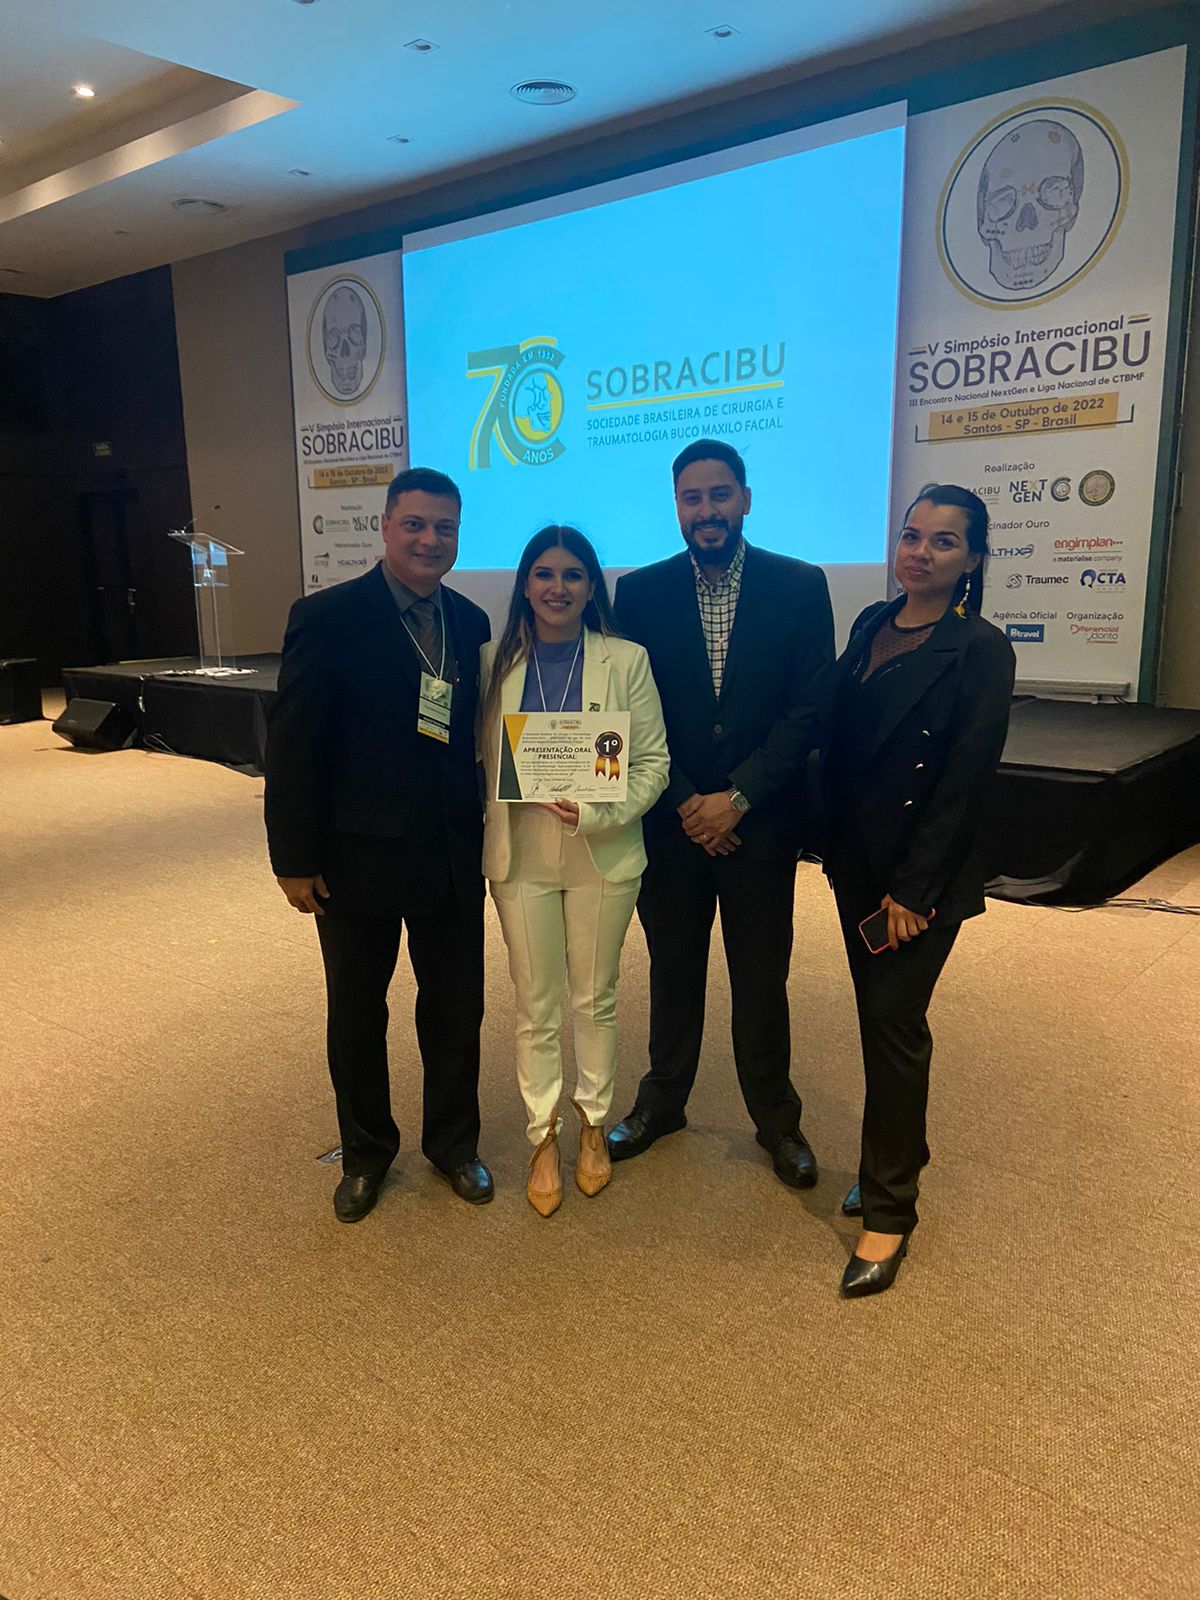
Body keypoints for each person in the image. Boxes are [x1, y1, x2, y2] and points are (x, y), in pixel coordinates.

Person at [264, 467, 494, 1223]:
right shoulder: (326, 616)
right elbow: (294, 745)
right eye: (415, 524)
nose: (430, 540)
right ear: (386, 526)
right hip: (354, 859)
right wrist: (294, 859)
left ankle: (453, 1145)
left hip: (451, 852)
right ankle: (366, 1154)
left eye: (445, 528)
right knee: (359, 1014)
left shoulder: (469, 621)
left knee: (456, 1010)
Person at [608, 439, 834, 1187]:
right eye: (691, 498)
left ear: (745, 499)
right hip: (670, 825)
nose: (706, 510)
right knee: (672, 970)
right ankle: (662, 1102)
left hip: (758, 825)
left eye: (719, 494)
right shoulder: (638, 593)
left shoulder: (800, 585)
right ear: (677, 507)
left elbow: (809, 708)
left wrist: (736, 797)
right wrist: (684, 801)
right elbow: (630, 712)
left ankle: (777, 1120)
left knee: (761, 978)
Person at [820, 484, 1015, 1297]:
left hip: (915, 881)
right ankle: (894, 1156)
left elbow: (965, 784)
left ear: (972, 559)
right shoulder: (873, 621)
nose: (920, 552)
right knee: (879, 1021)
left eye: (943, 541)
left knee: (896, 1026)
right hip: (856, 864)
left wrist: (914, 889)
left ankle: (890, 1209)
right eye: (911, 535)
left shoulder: (981, 649)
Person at [481, 526, 669, 1217]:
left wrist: (596, 812)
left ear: (592, 587)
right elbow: (475, 760)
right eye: (544, 573)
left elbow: (652, 764)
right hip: (520, 853)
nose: (557, 587)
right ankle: (542, 1135)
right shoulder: (491, 660)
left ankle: (592, 1124)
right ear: (525, 584)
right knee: (535, 1003)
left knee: (594, 997)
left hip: (602, 849)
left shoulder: (626, 660)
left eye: (572, 575)